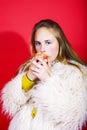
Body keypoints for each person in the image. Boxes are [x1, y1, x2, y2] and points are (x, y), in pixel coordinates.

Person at [1, 19, 87, 130]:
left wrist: (48, 79)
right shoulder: (29, 67)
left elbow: (72, 116)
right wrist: (29, 77)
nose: (42, 49)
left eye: (48, 42)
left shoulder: (77, 73)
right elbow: (11, 105)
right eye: (38, 43)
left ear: (60, 44)